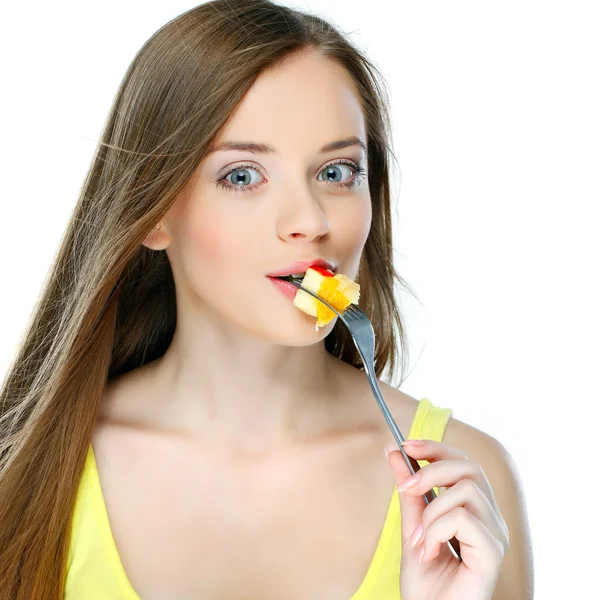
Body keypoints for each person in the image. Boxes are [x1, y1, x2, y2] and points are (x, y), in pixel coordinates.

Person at [0, 1, 533, 598]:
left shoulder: (463, 485)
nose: (309, 221)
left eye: (336, 172)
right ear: (153, 215)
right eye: (243, 176)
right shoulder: (27, 471)